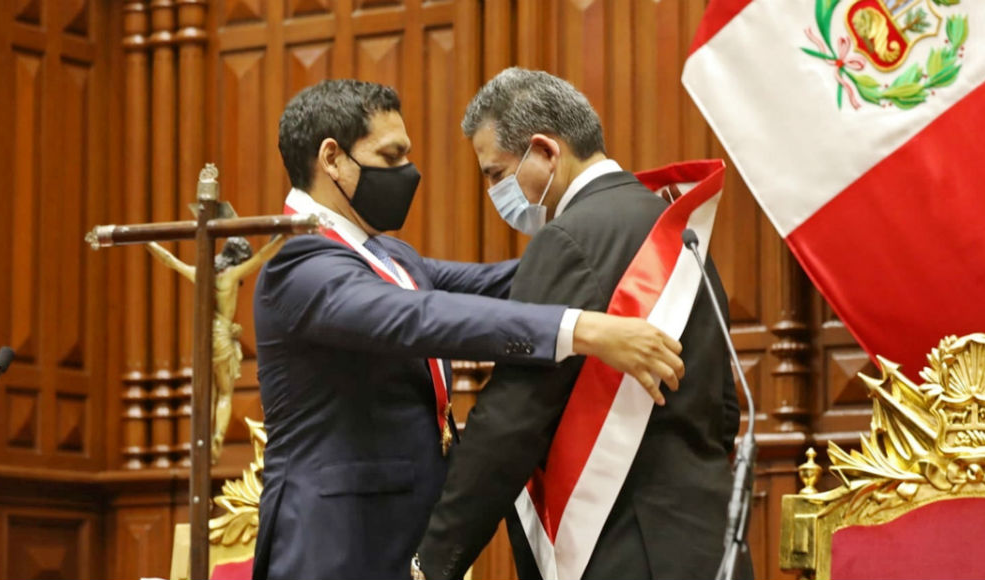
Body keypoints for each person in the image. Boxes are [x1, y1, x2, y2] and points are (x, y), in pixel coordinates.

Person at [251, 79, 689, 580]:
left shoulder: (386, 254)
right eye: (390, 156)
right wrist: (583, 329)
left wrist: (609, 223)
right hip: (337, 544)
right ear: (332, 159)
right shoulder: (297, 264)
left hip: (406, 534)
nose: (407, 173)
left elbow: (506, 280)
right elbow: (419, 318)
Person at [413, 68, 746, 579]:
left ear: (546, 152)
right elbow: (724, 408)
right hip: (709, 544)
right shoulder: (674, 226)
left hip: (624, 551)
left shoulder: (567, 239)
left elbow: (512, 419)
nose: (494, 192)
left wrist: (434, 562)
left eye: (496, 173)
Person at [145, 235, 286, 462]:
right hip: (222, 335)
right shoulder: (231, 276)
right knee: (224, 393)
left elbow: (169, 260)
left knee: (206, 393)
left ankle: (203, 436)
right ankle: (217, 436)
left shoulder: (201, 274)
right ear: (238, 259)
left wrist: (148, 242)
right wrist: (283, 238)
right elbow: (262, 257)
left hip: (203, 336)